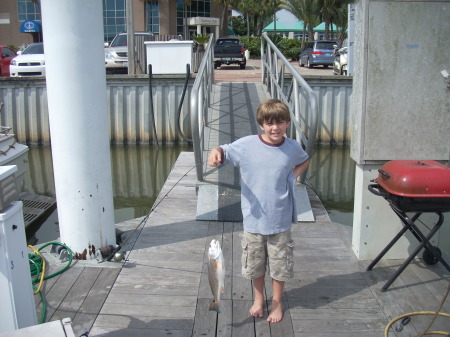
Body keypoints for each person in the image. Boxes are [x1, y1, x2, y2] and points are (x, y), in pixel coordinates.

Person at [207, 99, 309, 323]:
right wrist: (215, 152)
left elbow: (304, 159)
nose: (275, 128)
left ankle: (277, 303)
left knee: (280, 267)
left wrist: (292, 177)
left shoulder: (292, 147)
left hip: (280, 220)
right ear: (261, 125)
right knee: (256, 266)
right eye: (269, 123)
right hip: (253, 221)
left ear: (288, 123)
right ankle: (258, 299)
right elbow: (223, 151)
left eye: (280, 122)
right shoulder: (247, 145)